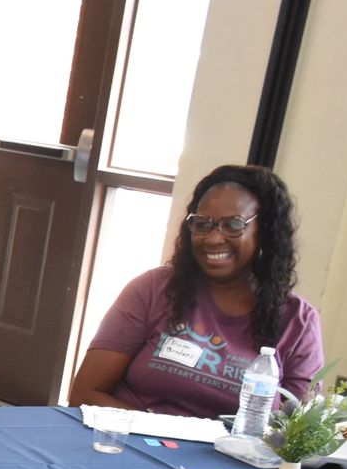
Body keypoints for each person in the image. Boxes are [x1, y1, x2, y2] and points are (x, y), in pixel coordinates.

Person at [69, 164, 323, 417]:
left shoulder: (297, 320)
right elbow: (85, 395)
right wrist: (166, 433)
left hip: (229, 456)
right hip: (133, 446)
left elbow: (297, 430)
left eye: (233, 225)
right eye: (202, 224)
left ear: (265, 233)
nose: (213, 238)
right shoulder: (152, 290)